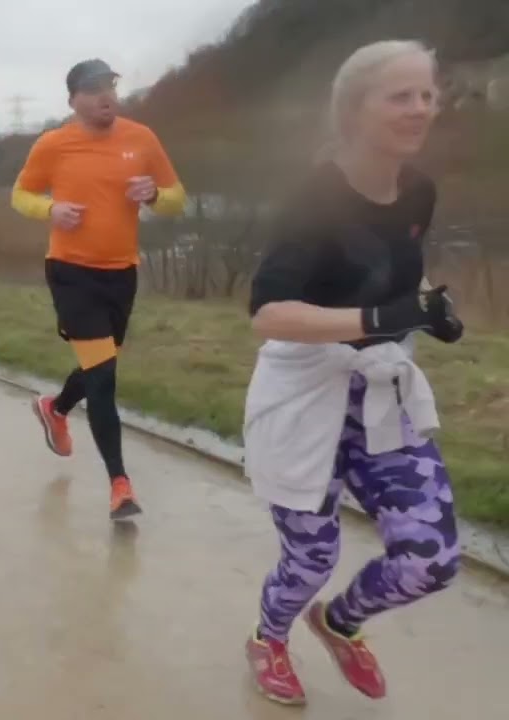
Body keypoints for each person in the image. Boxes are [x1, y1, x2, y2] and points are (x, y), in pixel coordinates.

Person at [242, 40, 464, 706]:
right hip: (306, 394)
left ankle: (339, 622)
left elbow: (396, 268)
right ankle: (269, 637)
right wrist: (380, 315)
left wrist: (427, 307)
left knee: (433, 557)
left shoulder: (419, 188)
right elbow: (268, 312)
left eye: (427, 94)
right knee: (311, 557)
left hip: (382, 392)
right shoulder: (314, 196)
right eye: (400, 96)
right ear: (354, 108)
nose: (420, 108)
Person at [10, 59, 186, 520]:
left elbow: (176, 198)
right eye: (92, 89)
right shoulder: (54, 144)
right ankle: (120, 486)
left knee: (100, 368)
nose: (105, 95)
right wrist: (50, 210)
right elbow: (21, 195)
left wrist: (153, 195)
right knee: (104, 379)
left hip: (121, 273)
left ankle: (55, 407)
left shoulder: (141, 138)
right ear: (73, 101)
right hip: (71, 272)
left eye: (110, 85)